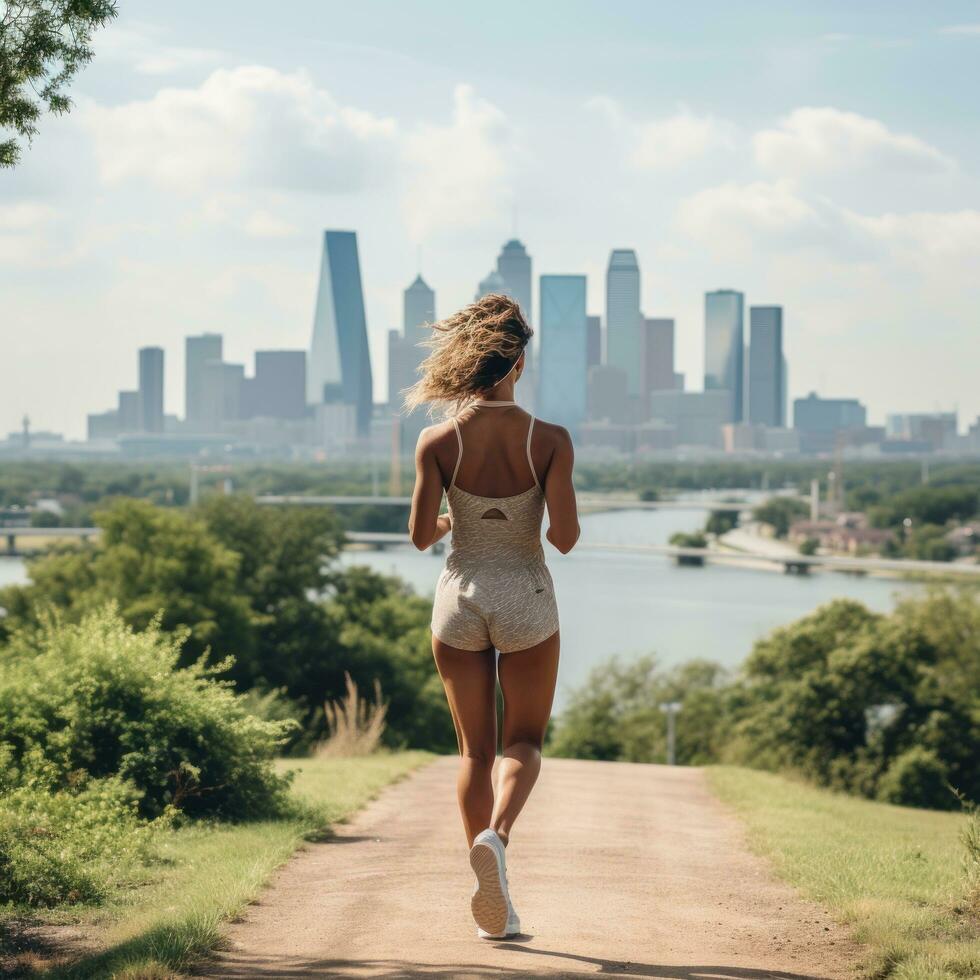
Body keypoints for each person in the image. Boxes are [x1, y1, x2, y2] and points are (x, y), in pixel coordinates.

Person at [405, 293, 580, 939]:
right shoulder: (551, 440)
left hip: (460, 597)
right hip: (527, 597)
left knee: (474, 752)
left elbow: (423, 535)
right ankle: (498, 840)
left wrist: (460, 519)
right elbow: (564, 538)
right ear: (519, 365)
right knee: (523, 743)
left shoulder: (436, 440)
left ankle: (492, 899)